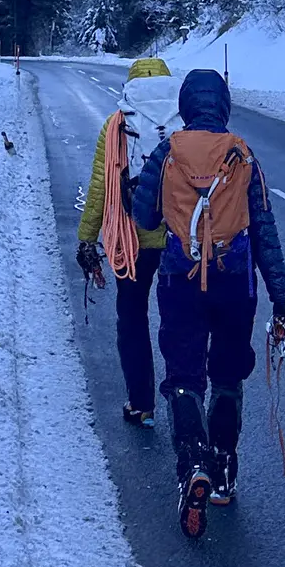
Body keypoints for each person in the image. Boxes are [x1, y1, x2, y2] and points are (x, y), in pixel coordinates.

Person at [130, 66, 285, 539]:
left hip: (179, 279)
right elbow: (264, 231)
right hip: (235, 282)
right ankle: (224, 472)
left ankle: (192, 467)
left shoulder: (167, 151)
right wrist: (281, 299)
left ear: (185, 106)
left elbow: (143, 217)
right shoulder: (242, 153)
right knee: (227, 375)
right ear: (223, 106)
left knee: (184, 376)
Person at [76, 58, 171, 424]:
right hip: (181, 241)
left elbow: (100, 188)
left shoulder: (116, 126)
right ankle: (185, 399)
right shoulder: (186, 123)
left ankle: (142, 403)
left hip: (132, 241)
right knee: (179, 322)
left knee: (132, 318)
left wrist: (87, 238)